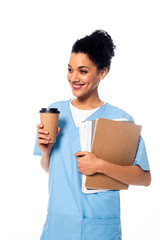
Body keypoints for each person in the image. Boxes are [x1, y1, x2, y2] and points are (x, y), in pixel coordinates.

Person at [34, 30, 151, 240]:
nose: (73, 78)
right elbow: (51, 169)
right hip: (58, 226)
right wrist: (46, 152)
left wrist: (100, 166)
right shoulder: (55, 113)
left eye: (83, 71)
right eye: (70, 70)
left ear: (102, 72)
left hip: (99, 228)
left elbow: (144, 178)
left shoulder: (119, 119)